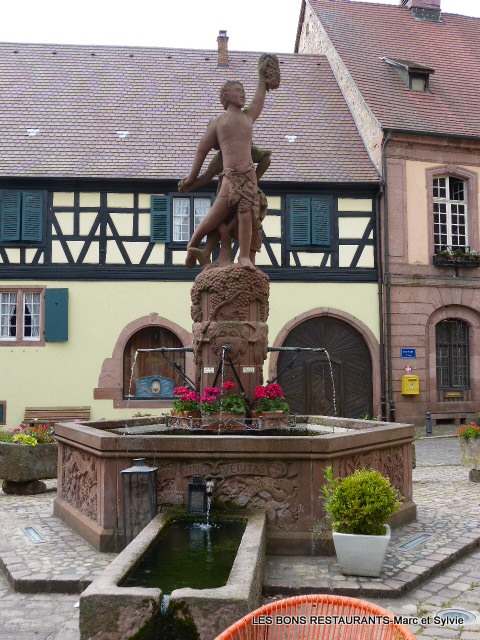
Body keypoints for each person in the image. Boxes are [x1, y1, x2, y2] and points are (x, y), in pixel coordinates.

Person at [180, 54, 280, 271]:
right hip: (230, 177)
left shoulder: (247, 117)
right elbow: (202, 150)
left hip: (248, 175)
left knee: (246, 213)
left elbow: (259, 99)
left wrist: (262, 77)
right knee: (214, 216)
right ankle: (192, 246)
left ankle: (243, 257)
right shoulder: (218, 122)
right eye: (238, 91)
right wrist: (190, 178)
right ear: (225, 96)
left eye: (243, 91)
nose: (243, 94)